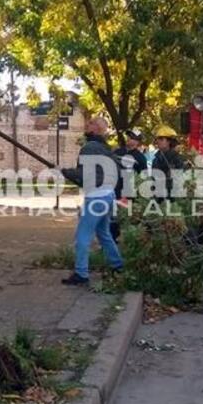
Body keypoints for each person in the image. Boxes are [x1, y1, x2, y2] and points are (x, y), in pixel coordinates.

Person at [60, 117, 124, 286]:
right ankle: (117, 265)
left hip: (95, 197)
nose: (86, 126)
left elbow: (84, 175)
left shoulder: (88, 148)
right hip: (108, 196)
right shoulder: (107, 149)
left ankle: (81, 273)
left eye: (89, 124)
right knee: (104, 234)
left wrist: (65, 172)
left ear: (95, 128)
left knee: (82, 235)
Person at [111, 129, 148, 240]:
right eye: (129, 137)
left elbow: (143, 176)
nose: (129, 139)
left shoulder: (140, 158)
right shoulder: (118, 152)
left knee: (129, 221)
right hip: (115, 191)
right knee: (113, 221)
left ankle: (128, 243)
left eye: (132, 138)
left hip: (130, 194)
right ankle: (111, 244)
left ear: (138, 142)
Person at [151, 125, 184, 200]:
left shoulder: (176, 158)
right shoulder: (156, 159)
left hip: (173, 200)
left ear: (169, 141)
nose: (157, 141)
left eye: (161, 139)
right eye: (157, 139)